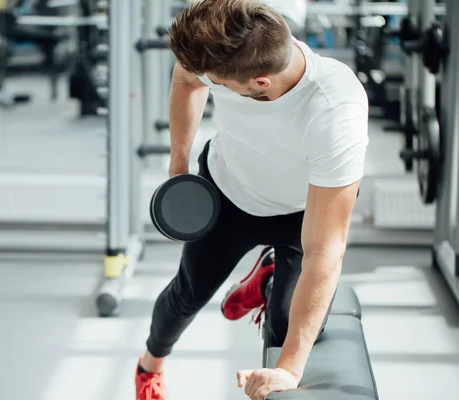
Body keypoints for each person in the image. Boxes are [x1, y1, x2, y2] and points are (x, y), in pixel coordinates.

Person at [134, 1, 368, 400]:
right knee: (188, 294)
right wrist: (178, 164)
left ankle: (269, 272)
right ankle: (149, 365)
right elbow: (187, 79)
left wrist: (289, 370)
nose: (212, 84)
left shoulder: (334, 112)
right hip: (229, 191)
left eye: (220, 84)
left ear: (260, 83)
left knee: (284, 329)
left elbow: (326, 251)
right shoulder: (230, 45)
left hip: (300, 212)